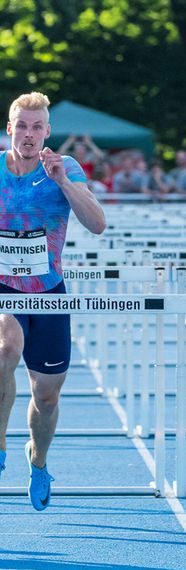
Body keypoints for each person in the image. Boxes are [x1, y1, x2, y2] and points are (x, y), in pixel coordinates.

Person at [0, 92, 106, 510]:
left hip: (47, 293)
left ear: (47, 131)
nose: (28, 134)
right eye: (21, 126)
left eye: (37, 127)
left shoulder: (66, 168)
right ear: (10, 129)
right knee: (5, 349)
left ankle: (38, 460)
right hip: (3, 288)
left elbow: (97, 224)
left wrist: (61, 179)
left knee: (46, 397)